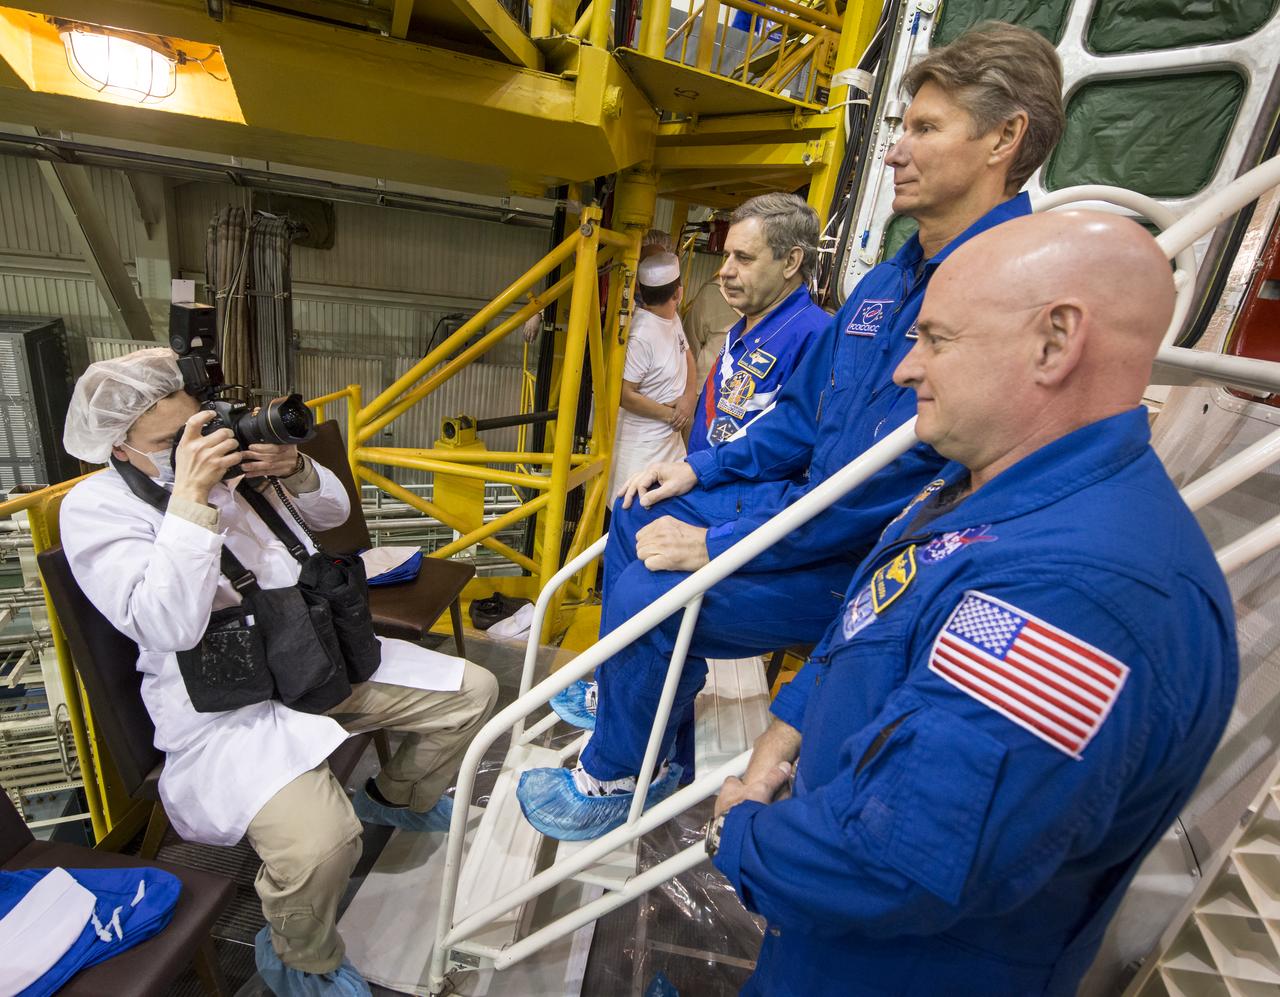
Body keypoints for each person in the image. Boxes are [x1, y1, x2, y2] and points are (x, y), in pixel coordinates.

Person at [518, 21, 1067, 841]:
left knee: (648, 591)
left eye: (923, 129)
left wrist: (715, 545)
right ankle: (649, 719)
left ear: (1005, 138)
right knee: (635, 507)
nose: (893, 154)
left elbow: (886, 488)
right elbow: (809, 417)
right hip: (810, 503)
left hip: (864, 553)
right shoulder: (891, 274)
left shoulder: (1000, 287)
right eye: (897, 130)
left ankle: (620, 769)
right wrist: (703, 472)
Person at [707, 210, 1238, 996]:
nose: (903, 369)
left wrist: (740, 833)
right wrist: (788, 727)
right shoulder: (976, 486)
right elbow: (878, 610)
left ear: (1054, 342)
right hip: (829, 948)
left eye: (938, 340)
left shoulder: (1081, 589)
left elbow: (891, 859)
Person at [58, 349, 499, 997]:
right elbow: (168, 624)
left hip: (314, 655)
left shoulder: (236, 464)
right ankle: (299, 951)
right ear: (120, 449)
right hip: (228, 699)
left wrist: (294, 468)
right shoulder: (96, 509)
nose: (195, 446)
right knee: (323, 845)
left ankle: (396, 797)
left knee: (472, 693)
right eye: (169, 444)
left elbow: (331, 519)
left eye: (197, 427)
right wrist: (190, 496)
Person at [686, 193, 826, 456]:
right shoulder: (745, 327)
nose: (726, 270)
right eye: (726, 256)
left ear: (790, 262)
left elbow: (791, 450)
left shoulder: (816, 339)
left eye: (744, 258)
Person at [606, 252, 700, 497]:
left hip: (671, 444)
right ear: (678, 293)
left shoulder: (672, 317)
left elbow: (687, 353)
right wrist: (672, 415)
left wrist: (689, 398)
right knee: (635, 509)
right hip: (641, 450)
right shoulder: (641, 335)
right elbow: (625, 395)